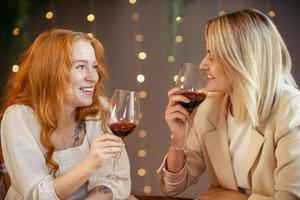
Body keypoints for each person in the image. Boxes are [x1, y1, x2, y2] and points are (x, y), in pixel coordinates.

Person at [157, 9, 300, 200]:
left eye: (212, 55)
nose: (202, 64)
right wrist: (178, 137)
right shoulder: (210, 105)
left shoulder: (292, 109)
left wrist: (227, 198)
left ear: (242, 59)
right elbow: (171, 187)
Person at [0, 28, 131, 200]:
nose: (93, 77)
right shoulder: (18, 118)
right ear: (51, 71)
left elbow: (114, 180)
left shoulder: (99, 110)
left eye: (94, 67)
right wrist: (89, 165)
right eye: (81, 66)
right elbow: (37, 195)